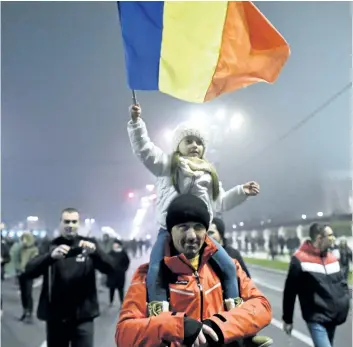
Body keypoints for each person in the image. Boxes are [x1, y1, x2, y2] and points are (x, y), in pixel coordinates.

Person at [128, 104, 271, 347]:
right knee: (156, 271)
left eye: (199, 142)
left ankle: (239, 327)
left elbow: (220, 203)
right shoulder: (168, 165)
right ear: (178, 146)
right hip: (169, 231)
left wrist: (242, 192)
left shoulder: (209, 173)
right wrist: (136, 124)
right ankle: (160, 325)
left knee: (227, 266)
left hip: (201, 234)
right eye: (188, 141)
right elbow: (145, 151)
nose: (194, 145)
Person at [116, 194, 272, 346]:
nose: (191, 236)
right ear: (171, 231)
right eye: (183, 227)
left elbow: (262, 306)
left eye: (198, 227)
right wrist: (177, 326)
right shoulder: (148, 275)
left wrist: (219, 326)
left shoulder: (227, 268)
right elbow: (124, 335)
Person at [25, 207, 114, 347]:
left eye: (74, 222)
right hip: (56, 317)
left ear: (78, 224)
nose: (70, 225)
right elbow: (29, 271)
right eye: (66, 221)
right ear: (60, 223)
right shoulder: (50, 245)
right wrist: (50, 257)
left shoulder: (89, 244)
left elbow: (112, 269)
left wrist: (96, 253)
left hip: (83, 316)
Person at [282, 223, 350, 347]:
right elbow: (290, 292)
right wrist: (288, 319)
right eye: (330, 236)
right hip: (316, 318)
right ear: (319, 238)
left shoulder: (333, 258)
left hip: (332, 317)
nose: (333, 238)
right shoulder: (299, 260)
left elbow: (342, 283)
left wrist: (345, 300)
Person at [18, 231, 39, 322]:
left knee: (28, 293)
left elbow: (34, 262)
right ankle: (24, 310)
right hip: (21, 273)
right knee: (23, 294)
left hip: (29, 274)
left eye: (25, 239)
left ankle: (29, 312)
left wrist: (28, 269)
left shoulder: (34, 250)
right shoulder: (22, 249)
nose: (24, 241)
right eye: (23, 239)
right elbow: (19, 259)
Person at [106, 239, 130, 307]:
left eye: (116, 244)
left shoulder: (123, 253)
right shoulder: (110, 253)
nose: (115, 245)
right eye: (114, 244)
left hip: (120, 274)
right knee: (111, 289)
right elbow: (106, 261)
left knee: (120, 289)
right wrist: (108, 269)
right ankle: (111, 302)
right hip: (112, 274)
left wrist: (124, 269)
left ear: (119, 245)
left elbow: (127, 262)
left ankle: (121, 303)